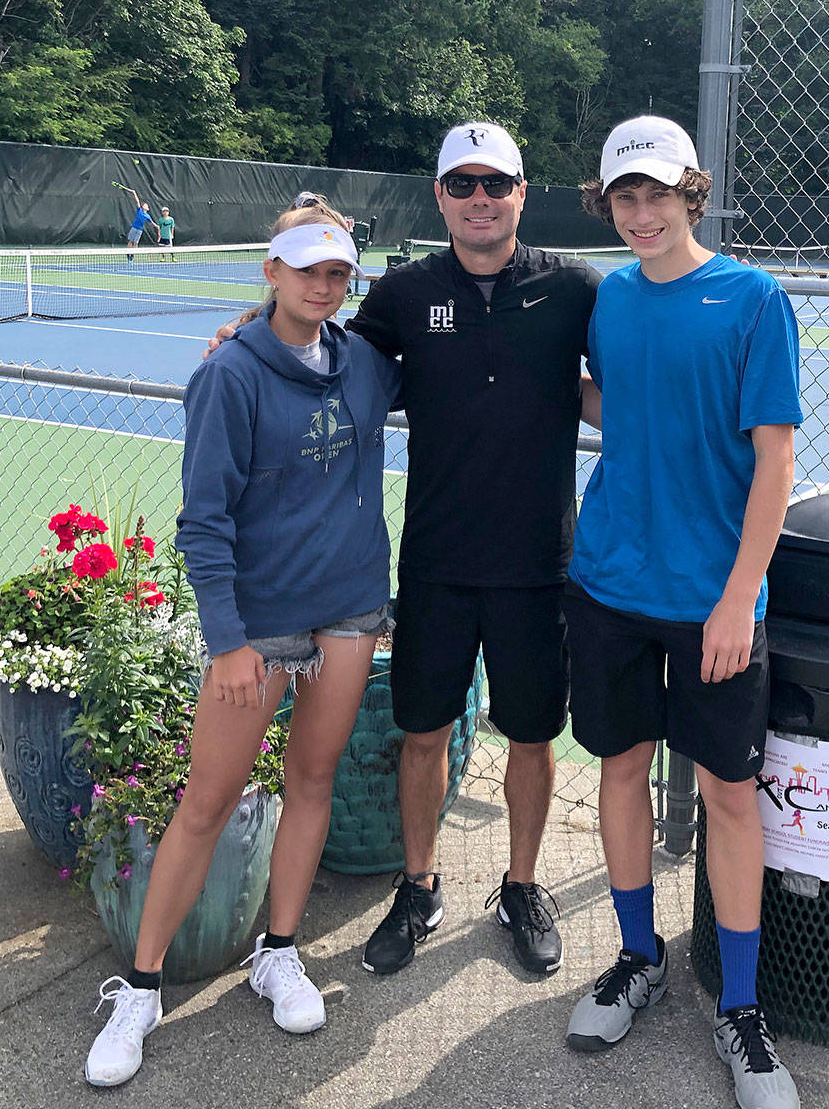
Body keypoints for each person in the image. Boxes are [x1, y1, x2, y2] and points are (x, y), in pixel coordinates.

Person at [209, 124, 601, 979]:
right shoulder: (403, 292)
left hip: (541, 562)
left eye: (495, 181)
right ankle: (418, 886)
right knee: (422, 734)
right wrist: (248, 325)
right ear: (440, 198)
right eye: (461, 184)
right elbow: (322, 341)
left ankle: (522, 885)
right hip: (435, 560)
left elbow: (614, 389)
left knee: (532, 737)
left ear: (522, 192)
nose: (479, 198)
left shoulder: (573, 287)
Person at [84, 206, 400, 1087]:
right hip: (257, 627)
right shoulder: (227, 374)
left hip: (349, 609)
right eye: (306, 269)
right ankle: (140, 989)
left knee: (311, 779)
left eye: (338, 273)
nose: (322, 286)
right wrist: (228, 641)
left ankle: (281, 950)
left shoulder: (369, 363)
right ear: (270, 269)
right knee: (208, 799)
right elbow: (203, 521)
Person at [562, 114, 803, 1109]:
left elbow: (774, 461)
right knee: (618, 769)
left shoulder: (751, 299)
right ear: (608, 204)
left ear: (690, 194)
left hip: (711, 607)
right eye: (625, 196)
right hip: (609, 583)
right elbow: (610, 410)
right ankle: (634, 958)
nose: (642, 212)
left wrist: (736, 596)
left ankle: (740, 1012)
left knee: (727, 795)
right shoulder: (608, 299)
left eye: (657, 193)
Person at [125, 196, 154, 262]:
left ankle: (131, 257)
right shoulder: (139, 210)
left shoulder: (147, 216)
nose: (146, 206)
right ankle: (128, 254)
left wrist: (157, 227)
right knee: (130, 242)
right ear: (142, 207)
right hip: (134, 228)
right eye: (145, 205)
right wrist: (134, 193)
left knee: (135, 243)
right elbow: (137, 201)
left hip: (139, 230)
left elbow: (152, 222)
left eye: (147, 205)